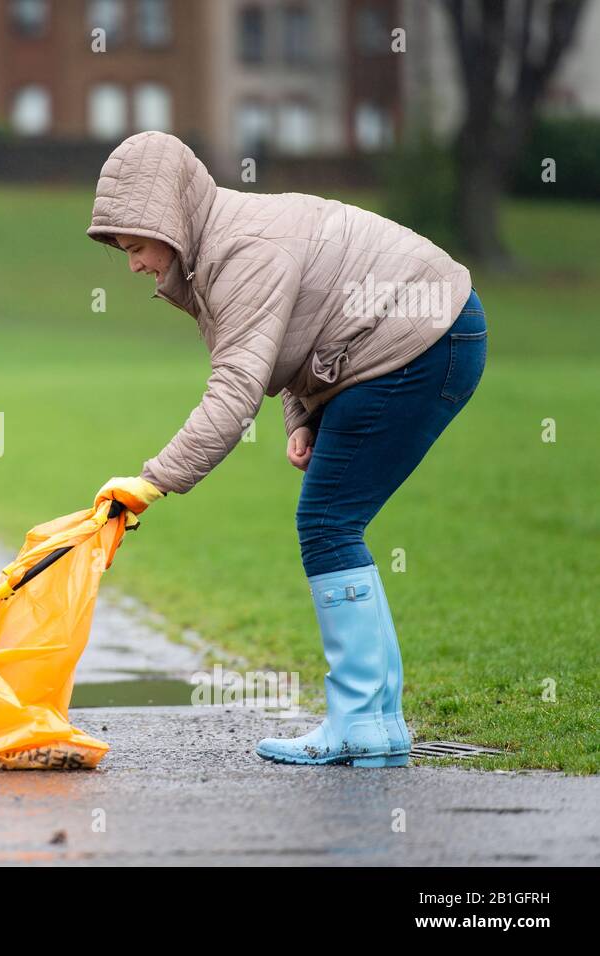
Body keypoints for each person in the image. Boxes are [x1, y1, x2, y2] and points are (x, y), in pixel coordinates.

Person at [88, 131, 487, 767]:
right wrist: (301, 415)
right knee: (335, 521)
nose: (133, 264)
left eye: (135, 245)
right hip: (428, 333)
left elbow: (237, 385)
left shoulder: (240, 249)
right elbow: (301, 327)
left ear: (169, 221)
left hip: (420, 339)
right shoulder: (220, 240)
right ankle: (377, 727)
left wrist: (152, 481)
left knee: (328, 522)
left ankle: (362, 722)